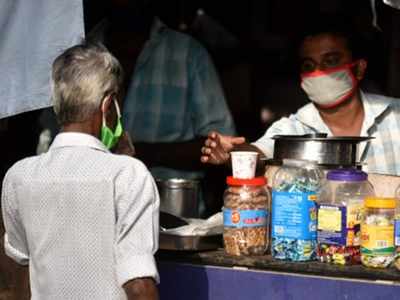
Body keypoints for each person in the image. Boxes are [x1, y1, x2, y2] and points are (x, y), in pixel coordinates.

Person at [1, 43, 159, 299]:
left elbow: (18, 275)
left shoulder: (19, 178)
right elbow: (139, 286)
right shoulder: (128, 175)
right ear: (108, 105)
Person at [201, 23, 400, 176]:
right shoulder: (294, 129)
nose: (318, 72)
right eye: (308, 65)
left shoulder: (395, 115)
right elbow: (259, 153)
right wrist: (231, 152)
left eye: (330, 61)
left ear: (358, 68)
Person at [89, 0, 236, 182]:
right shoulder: (80, 51)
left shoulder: (189, 53)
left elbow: (220, 143)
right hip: (94, 198)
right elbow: (52, 139)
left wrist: (143, 153)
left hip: (172, 203)